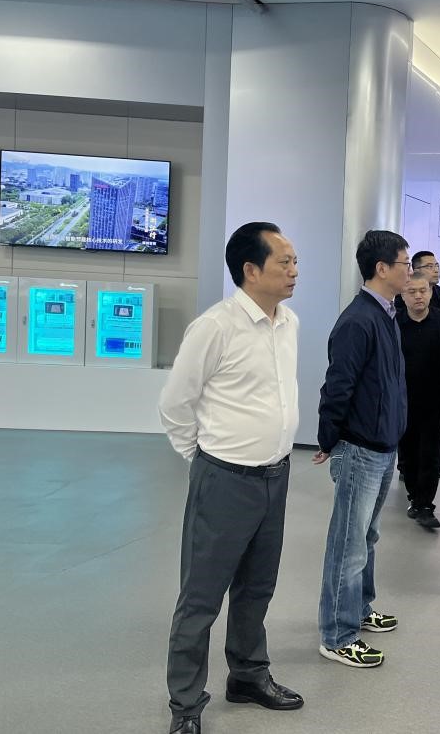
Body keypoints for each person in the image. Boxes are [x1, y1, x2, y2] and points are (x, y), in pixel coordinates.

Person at [159, 222, 304, 734]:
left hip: (275, 477)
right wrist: (203, 462)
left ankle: (247, 675)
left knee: (256, 587)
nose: (294, 270)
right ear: (250, 270)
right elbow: (175, 404)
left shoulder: (289, 323)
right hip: (224, 479)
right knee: (201, 597)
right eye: (284, 261)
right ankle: (186, 705)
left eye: (294, 261)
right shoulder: (215, 327)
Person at [315, 230, 409, 668]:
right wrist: (328, 439)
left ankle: (359, 607)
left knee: (367, 537)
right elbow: (338, 386)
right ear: (382, 268)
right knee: (349, 544)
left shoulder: (386, 314)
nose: (410, 271)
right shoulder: (358, 321)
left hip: (383, 444)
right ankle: (337, 634)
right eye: (405, 264)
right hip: (359, 448)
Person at [397, 272, 440, 529]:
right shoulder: (396, 323)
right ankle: (414, 496)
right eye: (412, 292)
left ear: (431, 293)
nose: (418, 296)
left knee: (430, 452)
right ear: (403, 295)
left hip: (435, 401)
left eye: (423, 290)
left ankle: (425, 505)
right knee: (408, 452)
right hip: (404, 402)